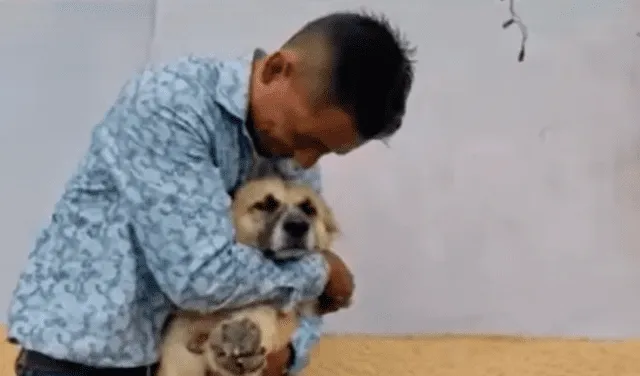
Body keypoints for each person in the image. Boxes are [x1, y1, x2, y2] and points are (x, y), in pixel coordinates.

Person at [7, 10, 415, 376]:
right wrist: (322, 273)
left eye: (326, 151)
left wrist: (291, 354)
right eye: (305, 138)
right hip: (84, 360)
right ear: (276, 70)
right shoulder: (170, 104)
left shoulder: (291, 154)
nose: (307, 162)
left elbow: (300, 295)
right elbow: (200, 277)